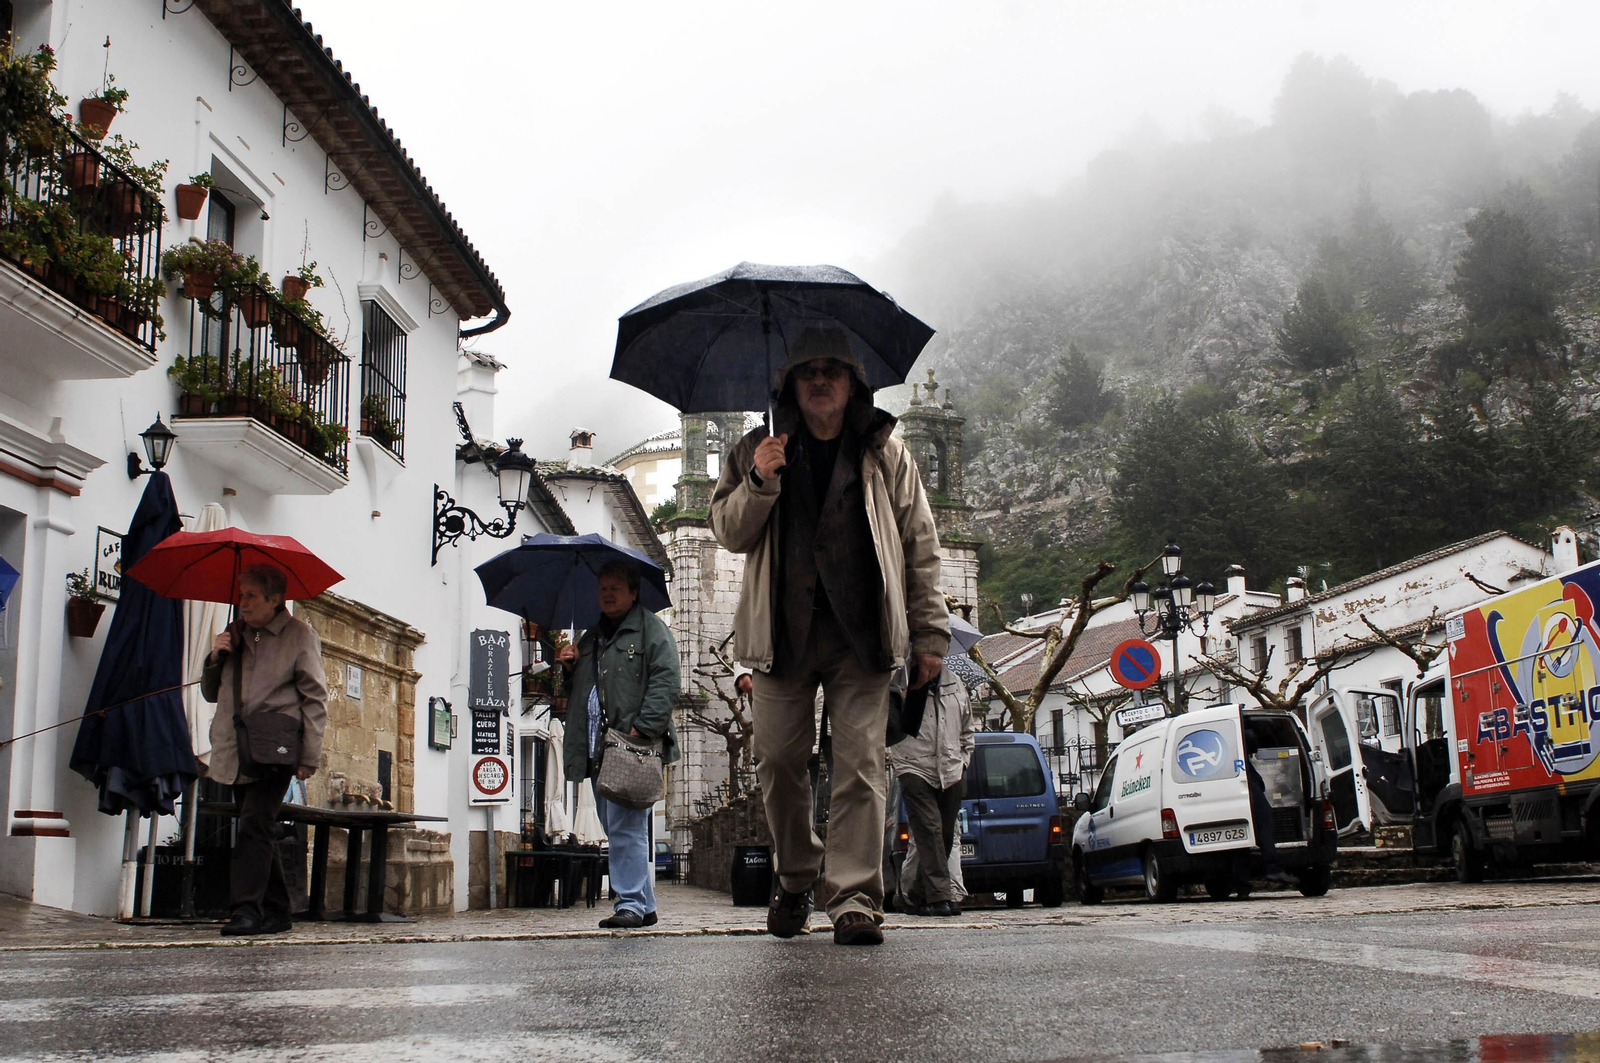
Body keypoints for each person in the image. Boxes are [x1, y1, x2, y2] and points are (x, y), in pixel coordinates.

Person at [711, 325, 950, 946]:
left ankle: (854, 899)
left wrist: (929, 635)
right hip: (781, 635)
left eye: (833, 370)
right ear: (790, 384)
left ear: (853, 384)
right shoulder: (754, 449)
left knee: (861, 766)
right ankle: (796, 876)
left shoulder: (886, 453)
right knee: (778, 762)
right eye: (808, 371)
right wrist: (760, 480)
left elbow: (920, 545)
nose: (820, 380)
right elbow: (728, 532)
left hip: (861, 634)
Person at [201, 563, 328, 937]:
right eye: (241, 595)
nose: (243, 602)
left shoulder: (299, 635)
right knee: (257, 827)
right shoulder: (234, 634)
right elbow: (210, 692)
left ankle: (246, 910)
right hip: (235, 747)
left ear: (275, 599)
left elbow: (315, 697)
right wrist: (215, 657)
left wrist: (309, 755)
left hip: (275, 748)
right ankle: (277, 910)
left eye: (252, 596)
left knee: (253, 826)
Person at [559, 559, 680, 929]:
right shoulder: (592, 638)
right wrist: (569, 668)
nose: (607, 595)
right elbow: (582, 692)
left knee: (626, 827)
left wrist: (642, 729)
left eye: (615, 588)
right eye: (603, 589)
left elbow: (667, 680)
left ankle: (629, 903)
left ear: (633, 593)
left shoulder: (651, 630)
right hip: (597, 748)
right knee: (616, 829)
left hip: (631, 745)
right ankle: (645, 904)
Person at [888, 659, 975, 916]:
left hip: (951, 769)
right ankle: (939, 897)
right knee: (929, 830)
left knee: (945, 834)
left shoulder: (955, 684)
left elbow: (967, 729)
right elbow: (889, 728)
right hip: (913, 766)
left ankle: (915, 894)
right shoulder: (899, 683)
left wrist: (963, 760)